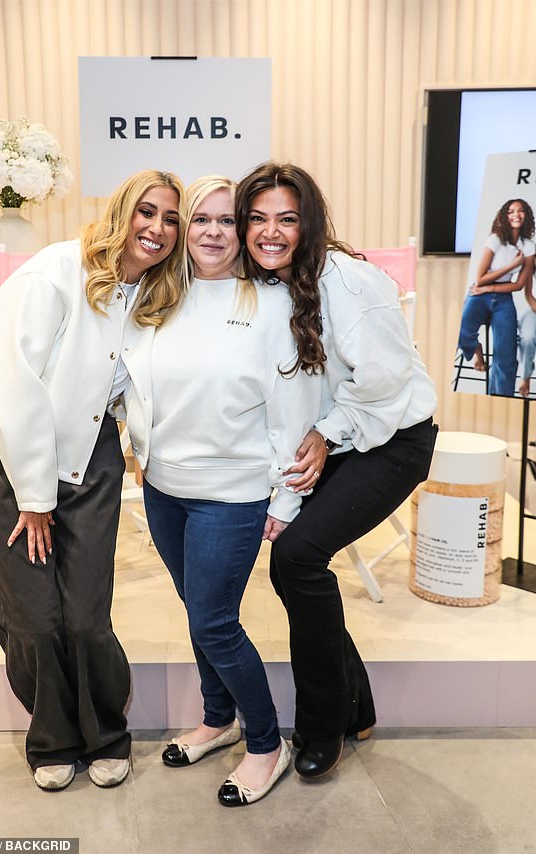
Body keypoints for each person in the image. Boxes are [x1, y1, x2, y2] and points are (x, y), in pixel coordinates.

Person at [0, 169, 186, 790]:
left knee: (86, 615)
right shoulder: (55, 272)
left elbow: (137, 392)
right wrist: (34, 497)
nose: (157, 228)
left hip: (91, 458)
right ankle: (53, 738)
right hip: (7, 459)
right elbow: (10, 384)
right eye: (147, 211)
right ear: (120, 210)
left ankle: (105, 734)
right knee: (35, 617)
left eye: (171, 219)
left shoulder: (154, 298)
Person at [235, 161, 438, 780]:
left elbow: (385, 381)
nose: (271, 232)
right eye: (258, 218)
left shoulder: (349, 282)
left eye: (287, 219)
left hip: (394, 437)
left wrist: (328, 433)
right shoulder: (271, 285)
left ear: (310, 223)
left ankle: (323, 727)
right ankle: (358, 707)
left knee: (296, 559)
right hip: (342, 435)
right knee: (296, 568)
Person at [122, 176, 320, 805]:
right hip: (163, 488)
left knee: (214, 622)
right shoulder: (157, 296)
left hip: (232, 494)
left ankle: (266, 744)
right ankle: (217, 718)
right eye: (198, 220)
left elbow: (293, 411)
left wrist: (286, 500)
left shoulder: (269, 304)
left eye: (225, 221)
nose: (211, 232)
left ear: (242, 231)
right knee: (200, 616)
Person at [457, 199, 536, 397]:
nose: (516, 214)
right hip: (479, 295)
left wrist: (489, 288)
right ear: (504, 216)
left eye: (520, 211)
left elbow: (518, 285)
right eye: (511, 211)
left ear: (526, 215)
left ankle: (501, 398)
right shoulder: (495, 240)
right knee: (463, 333)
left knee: (506, 357)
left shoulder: (528, 246)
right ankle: (477, 351)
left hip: (503, 298)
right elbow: (480, 278)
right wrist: (511, 266)